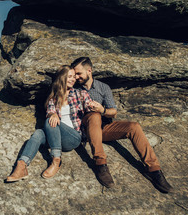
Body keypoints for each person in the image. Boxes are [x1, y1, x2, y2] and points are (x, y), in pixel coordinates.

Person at [71, 57, 173, 193]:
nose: (76, 77)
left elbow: (113, 112)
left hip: (103, 128)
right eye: (75, 74)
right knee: (94, 116)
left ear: (89, 71)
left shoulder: (103, 87)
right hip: (85, 127)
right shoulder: (73, 87)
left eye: (79, 74)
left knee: (134, 126)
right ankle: (100, 164)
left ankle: (154, 170)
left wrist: (103, 110)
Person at [6, 65, 92, 182]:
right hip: (56, 138)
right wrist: (52, 114)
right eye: (70, 76)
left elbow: (89, 106)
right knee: (37, 133)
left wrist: (95, 107)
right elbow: (50, 112)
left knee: (49, 121)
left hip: (73, 137)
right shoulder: (54, 98)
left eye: (74, 77)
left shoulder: (80, 94)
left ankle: (56, 160)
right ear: (62, 78)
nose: (73, 79)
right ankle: (21, 166)